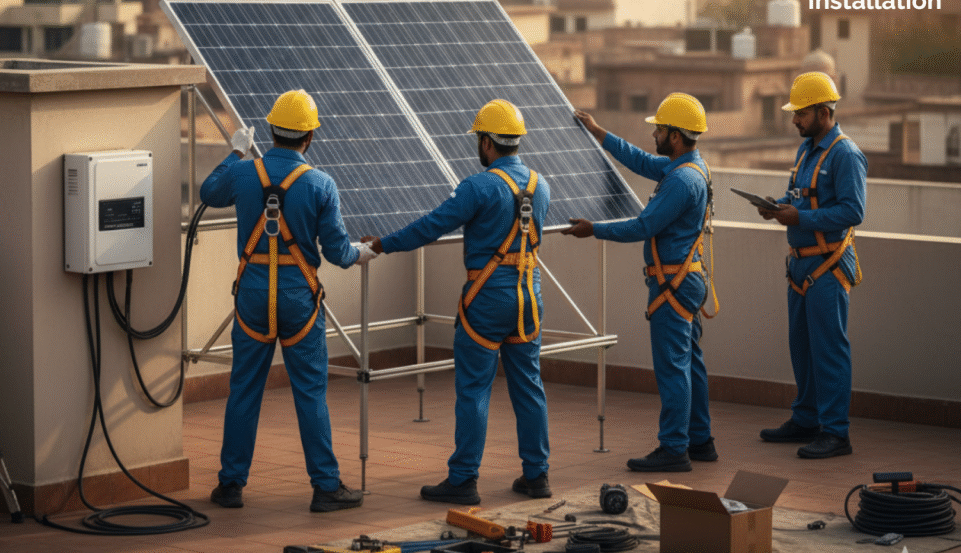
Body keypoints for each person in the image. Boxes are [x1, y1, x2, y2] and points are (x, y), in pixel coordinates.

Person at [361, 99, 551, 505]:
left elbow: (432, 226)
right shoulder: (541, 185)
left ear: (487, 143)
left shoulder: (478, 187)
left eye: (479, 139)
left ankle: (463, 480)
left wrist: (382, 244)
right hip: (528, 299)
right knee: (529, 386)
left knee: (474, 389)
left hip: (487, 299)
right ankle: (537, 476)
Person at [200, 89, 377, 511]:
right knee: (310, 392)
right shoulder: (320, 184)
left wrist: (236, 152)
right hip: (299, 299)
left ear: (272, 132)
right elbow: (338, 253)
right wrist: (363, 253)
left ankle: (230, 485)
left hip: (253, 297)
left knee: (244, 390)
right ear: (309, 137)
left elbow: (209, 192)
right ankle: (325, 486)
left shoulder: (244, 173)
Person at [562, 93, 719, 473]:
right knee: (689, 363)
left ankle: (674, 448)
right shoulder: (688, 167)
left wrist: (595, 229)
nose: (655, 135)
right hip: (686, 280)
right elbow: (641, 160)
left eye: (660, 130)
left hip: (674, 284)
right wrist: (599, 132)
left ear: (676, 136)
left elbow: (644, 226)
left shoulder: (680, 181)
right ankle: (700, 440)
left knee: (673, 368)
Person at [757, 71, 866, 459]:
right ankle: (806, 419)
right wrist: (780, 207)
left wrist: (799, 218)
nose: (794, 121)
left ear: (823, 112)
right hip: (800, 267)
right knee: (802, 347)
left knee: (829, 349)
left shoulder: (845, 154)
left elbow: (853, 211)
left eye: (801, 114)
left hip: (827, 267)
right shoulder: (807, 151)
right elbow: (802, 196)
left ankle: (835, 432)